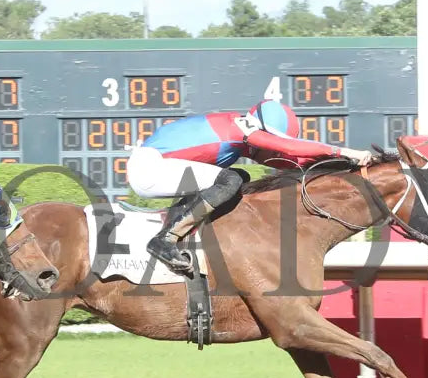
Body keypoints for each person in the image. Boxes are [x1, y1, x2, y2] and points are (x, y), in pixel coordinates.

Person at [126, 99, 373, 273]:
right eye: (271, 138)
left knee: (238, 177)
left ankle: (189, 232)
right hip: (149, 168)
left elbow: (289, 162)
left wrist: (336, 162)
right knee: (231, 179)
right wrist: (342, 150)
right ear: (263, 129)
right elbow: (289, 149)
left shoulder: (244, 136)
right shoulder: (239, 128)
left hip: (158, 165)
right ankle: (164, 240)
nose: (270, 144)